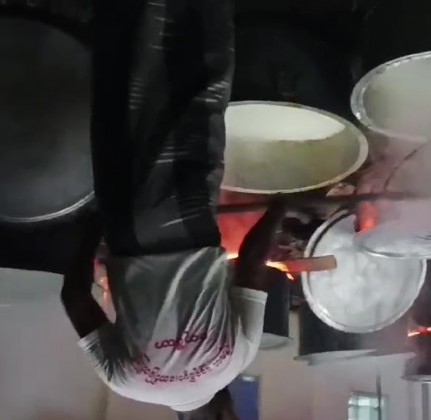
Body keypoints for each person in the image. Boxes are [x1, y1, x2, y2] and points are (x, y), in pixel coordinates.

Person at [59, 0, 287, 417]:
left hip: (187, 217)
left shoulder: (238, 358)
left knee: (192, 91)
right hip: (125, 227)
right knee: (118, 110)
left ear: (225, 413)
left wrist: (280, 209)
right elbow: (74, 294)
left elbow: (252, 263)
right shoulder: (126, 382)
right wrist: (96, 224)